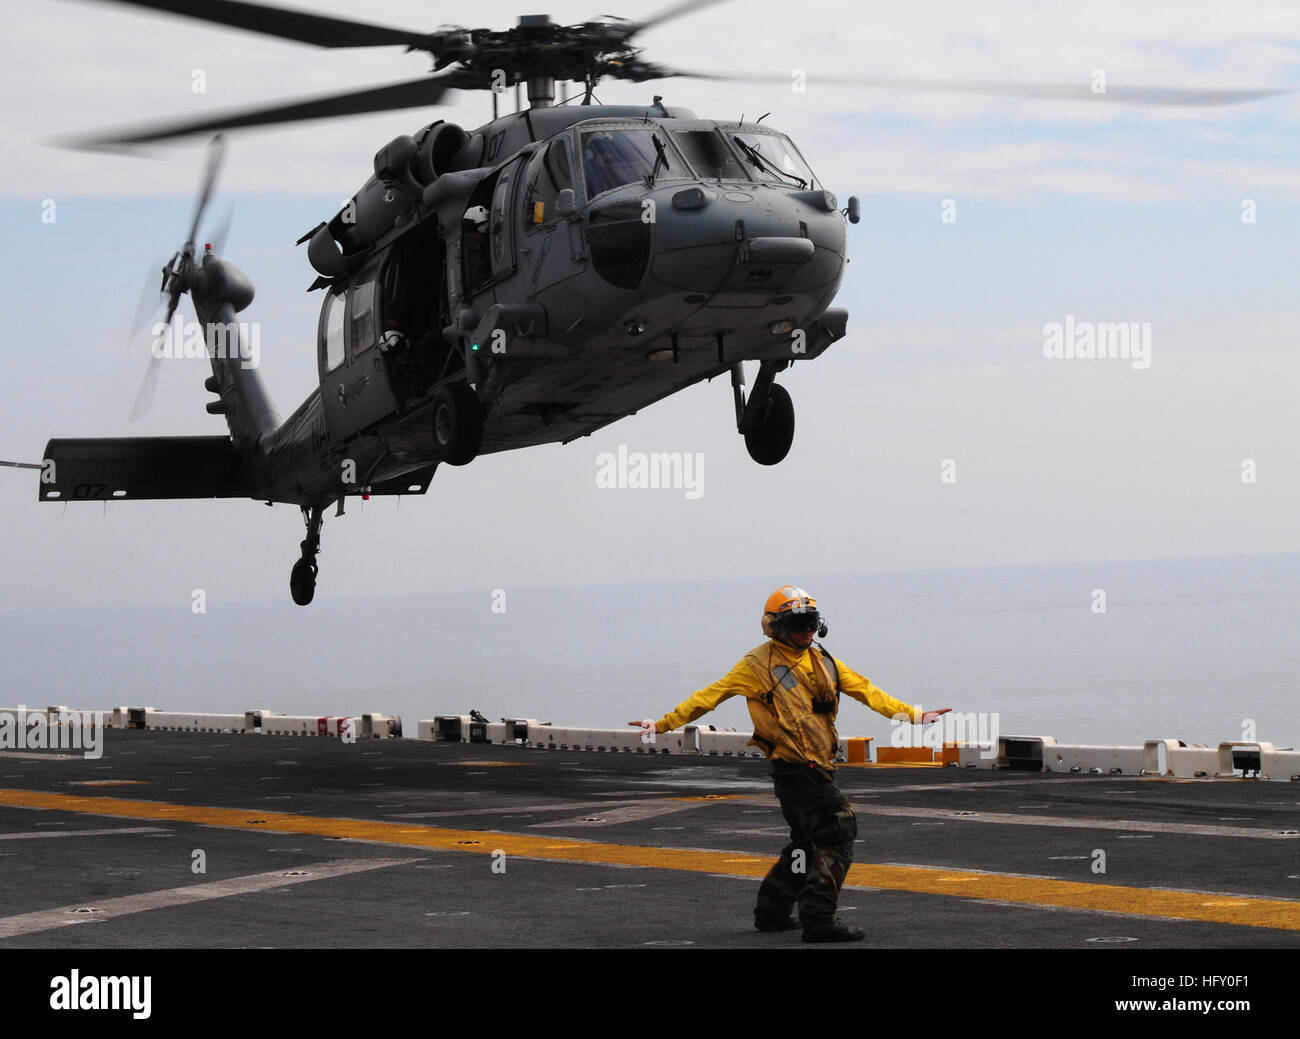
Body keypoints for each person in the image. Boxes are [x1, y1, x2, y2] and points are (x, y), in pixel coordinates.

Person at [630, 585, 951, 943]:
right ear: (775, 626)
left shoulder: (822, 659)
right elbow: (709, 696)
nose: (807, 630)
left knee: (804, 843)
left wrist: (915, 715)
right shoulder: (757, 665)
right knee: (838, 832)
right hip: (796, 768)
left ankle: (772, 911)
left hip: (817, 765)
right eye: (799, 623)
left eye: (811, 622)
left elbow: (866, 690)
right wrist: (663, 724)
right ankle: (818, 918)